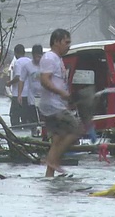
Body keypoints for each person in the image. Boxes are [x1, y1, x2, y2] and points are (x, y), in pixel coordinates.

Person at [39, 29, 80, 177]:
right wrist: (61, 93)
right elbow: (44, 80)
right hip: (52, 105)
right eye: (66, 42)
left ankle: (49, 174)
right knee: (77, 129)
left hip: (56, 104)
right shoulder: (50, 57)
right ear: (56, 41)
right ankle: (53, 162)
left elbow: (58, 81)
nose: (68, 46)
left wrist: (66, 100)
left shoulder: (57, 58)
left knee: (57, 139)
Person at [6, 44, 32, 127]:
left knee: (14, 116)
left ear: (16, 53)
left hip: (18, 94)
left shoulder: (18, 62)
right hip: (28, 94)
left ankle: (16, 135)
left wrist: (9, 83)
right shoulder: (30, 61)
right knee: (26, 117)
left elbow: (18, 77)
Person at [18, 44, 43, 127]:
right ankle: (34, 131)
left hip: (44, 97)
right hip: (32, 97)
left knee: (43, 117)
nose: (38, 59)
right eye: (36, 57)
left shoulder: (46, 65)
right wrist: (19, 95)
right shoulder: (27, 66)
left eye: (39, 57)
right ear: (33, 55)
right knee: (33, 116)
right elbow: (21, 80)